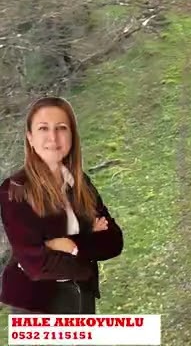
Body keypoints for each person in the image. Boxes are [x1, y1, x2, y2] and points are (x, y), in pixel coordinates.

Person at [0, 96, 124, 314]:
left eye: (61, 128)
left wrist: (69, 245)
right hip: (36, 305)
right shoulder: (15, 189)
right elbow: (36, 264)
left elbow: (113, 241)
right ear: (30, 138)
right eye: (43, 128)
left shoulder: (80, 183)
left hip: (82, 296)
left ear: (72, 135)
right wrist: (88, 244)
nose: (53, 137)